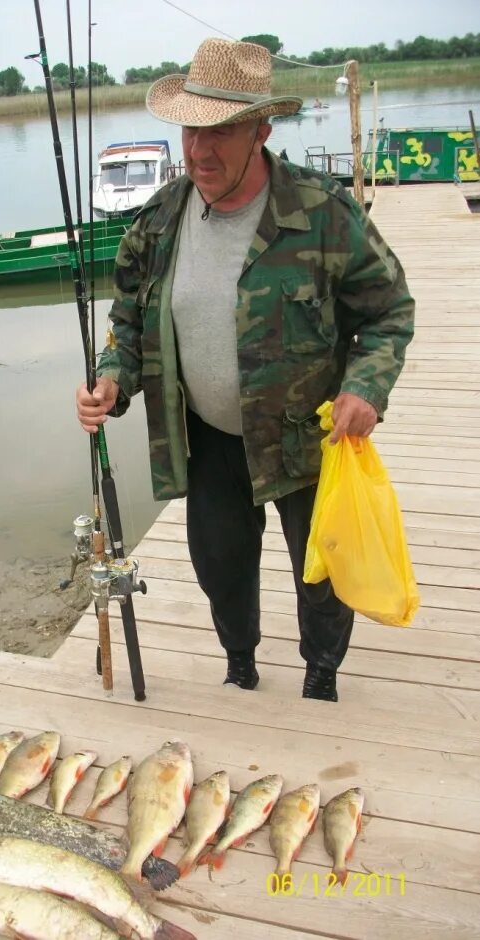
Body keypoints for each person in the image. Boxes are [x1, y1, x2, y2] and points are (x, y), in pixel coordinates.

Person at [75, 39, 414, 703]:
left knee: (321, 574)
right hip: (206, 441)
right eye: (190, 131)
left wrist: (363, 388)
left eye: (221, 131)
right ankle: (240, 663)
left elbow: (388, 312)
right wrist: (111, 379)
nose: (200, 151)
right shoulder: (157, 222)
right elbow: (129, 325)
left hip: (306, 441)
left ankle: (321, 671)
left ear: (262, 128)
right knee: (220, 568)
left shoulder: (321, 213)